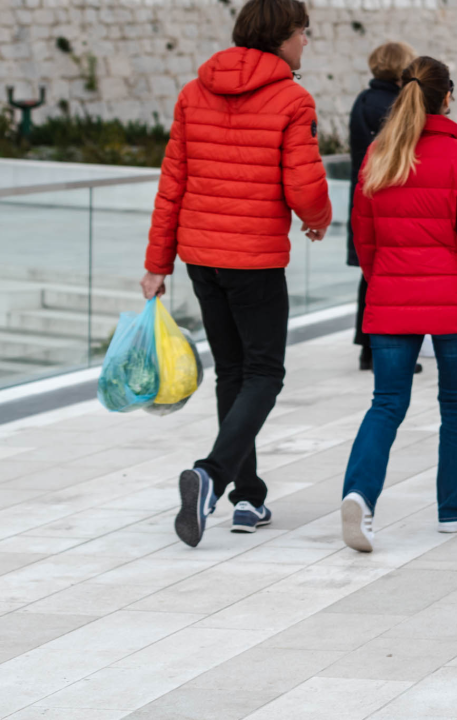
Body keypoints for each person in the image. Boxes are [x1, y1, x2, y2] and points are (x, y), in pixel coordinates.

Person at [142, 0, 331, 547]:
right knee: (265, 373)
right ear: (282, 37)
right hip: (255, 259)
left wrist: (157, 265)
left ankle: (247, 497)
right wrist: (317, 220)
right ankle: (212, 475)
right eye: (304, 33)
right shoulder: (293, 99)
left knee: (233, 372)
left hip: (201, 257)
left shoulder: (192, 92)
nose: (306, 43)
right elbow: (305, 188)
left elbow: (171, 184)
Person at [342, 56, 457, 552]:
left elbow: (364, 238)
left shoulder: (379, 153)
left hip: (392, 298)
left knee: (386, 403)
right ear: (448, 97)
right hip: (453, 303)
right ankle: (453, 511)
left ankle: (359, 495)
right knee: (456, 405)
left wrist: (386, 283)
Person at [346, 41, 419, 374]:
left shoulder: (362, 100)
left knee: (370, 276)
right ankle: (383, 351)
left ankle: (365, 348)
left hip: (365, 196)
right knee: (394, 280)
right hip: (393, 200)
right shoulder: (395, 105)